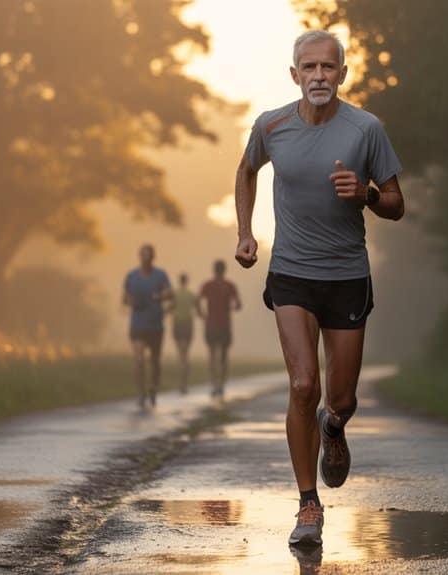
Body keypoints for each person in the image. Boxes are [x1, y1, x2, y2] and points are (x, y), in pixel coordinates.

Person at [234, 30, 405, 547]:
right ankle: (308, 504)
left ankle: (334, 428)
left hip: (347, 274)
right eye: (308, 68)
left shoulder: (366, 129)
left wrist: (368, 193)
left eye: (328, 68)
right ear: (294, 75)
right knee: (303, 386)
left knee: (342, 397)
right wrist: (244, 232)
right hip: (291, 271)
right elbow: (245, 171)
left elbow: (397, 203)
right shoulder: (272, 125)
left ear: (342, 74)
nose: (318, 77)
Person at [122, 244, 172, 409]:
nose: (146, 259)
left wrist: (159, 295)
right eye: (143, 256)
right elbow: (124, 298)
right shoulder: (131, 276)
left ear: (153, 258)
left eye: (148, 256)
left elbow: (169, 293)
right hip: (137, 324)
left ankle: (153, 389)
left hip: (156, 325)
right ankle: (141, 392)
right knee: (138, 359)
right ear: (139, 257)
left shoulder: (160, 275)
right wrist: (132, 301)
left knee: (155, 361)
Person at [196, 259, 241, 399]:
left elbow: (197, 300)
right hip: (224, 324)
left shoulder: (207, 285)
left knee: (212, 355)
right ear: (224, 270)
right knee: (223, 357)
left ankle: (214, 384)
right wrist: (230, 308)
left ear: (214, 270)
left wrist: (201, 314)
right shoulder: (230, 285)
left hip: (211, 324)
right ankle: (221, 385)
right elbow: (238, 304)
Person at [168, 273, 197, 394]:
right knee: (185, 354)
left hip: (178, 325)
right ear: (187, 281)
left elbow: (170, 308)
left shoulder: (175, 294)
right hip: (188, 325)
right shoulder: (191, 294)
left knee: (180, 354)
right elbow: (198, 308)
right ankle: (184, 384)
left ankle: (181, 384)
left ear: (179, 281)